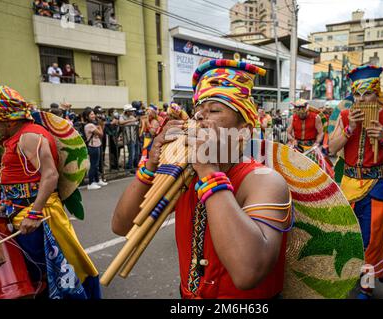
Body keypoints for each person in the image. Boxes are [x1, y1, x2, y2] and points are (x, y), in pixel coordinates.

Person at [111, 59, 292, 299]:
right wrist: (150, 165)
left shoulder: (265, 180)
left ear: (243, 131)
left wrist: (208, 170)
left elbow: (248, 272)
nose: (199, 119)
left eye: (215, 111)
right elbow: (122, 226)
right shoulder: (185, 173)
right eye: (198, 111)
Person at [0, 86, 100, 298]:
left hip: (35, 215)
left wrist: (34, 213)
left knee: (55, 269)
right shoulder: (18, 136)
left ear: (9, 120)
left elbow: (50, 175)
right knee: (38, 271)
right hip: (21, 211)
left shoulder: (29, 137)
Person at [329, 65, 383, 299]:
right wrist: (350, 129)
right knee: (346, 235)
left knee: (372, 239)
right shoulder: (346, 116)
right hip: (348, 184)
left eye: (367, 93)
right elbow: (331, 148)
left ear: (377, 93)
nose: (362, 99)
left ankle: (366, 285)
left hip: (378, 185)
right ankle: (345, 275)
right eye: (357, 94)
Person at [82, 108, 107, 190]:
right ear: (87, 116)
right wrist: (100, 125)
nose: (94, 116)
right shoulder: (90, 125)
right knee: (94, 165)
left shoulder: (92, 125)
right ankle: (90, 183)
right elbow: (101, 134)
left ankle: (97, 180)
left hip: (96, 145)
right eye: (91, 114)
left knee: (96, 165)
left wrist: (100, 125)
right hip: (93, 147)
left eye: (93, 114)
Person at [119, 104, 139, 172]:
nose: (131, 112)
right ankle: (130, 167)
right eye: (130, 111)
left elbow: (135, 122)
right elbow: (121, 122)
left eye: (132, 111)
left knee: (136, 152)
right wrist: (130, 121)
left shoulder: (131, 116)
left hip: (134, 136)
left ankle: (130, 165)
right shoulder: (122, 116)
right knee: (132, 153)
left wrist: (131, 121)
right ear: (126, 111)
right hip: (128, 137)